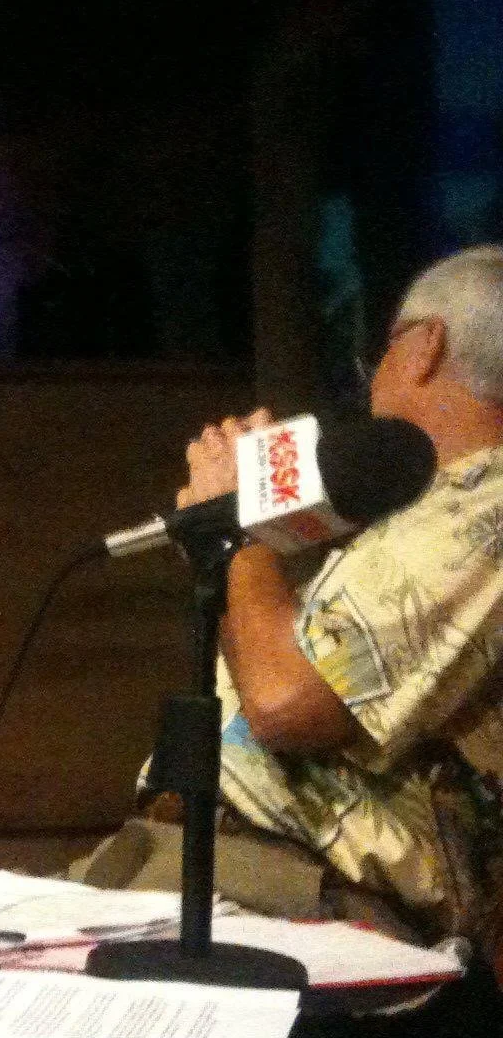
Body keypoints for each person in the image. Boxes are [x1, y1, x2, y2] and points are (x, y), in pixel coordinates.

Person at [78, 246, 503, 948]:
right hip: (210, 857)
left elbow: (284, 701)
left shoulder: (486, 511)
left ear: (425, 346)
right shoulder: (436, 503)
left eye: (386, 347)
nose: (375, 374)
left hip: (293, 885)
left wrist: (236, 526)